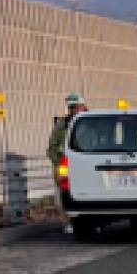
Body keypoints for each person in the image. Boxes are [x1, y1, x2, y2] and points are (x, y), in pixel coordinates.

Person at [48, 94, 87, 233]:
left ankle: (89, 220)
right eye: (71, 107)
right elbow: (52, 146)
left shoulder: (91, 121)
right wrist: (60, 163)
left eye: (76, 107)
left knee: (86, 191)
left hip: (86, 163)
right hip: (65, 164)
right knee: (64, 192)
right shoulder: (62, 125)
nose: (74, 110)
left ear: (83, 106)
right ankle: (69, 222)